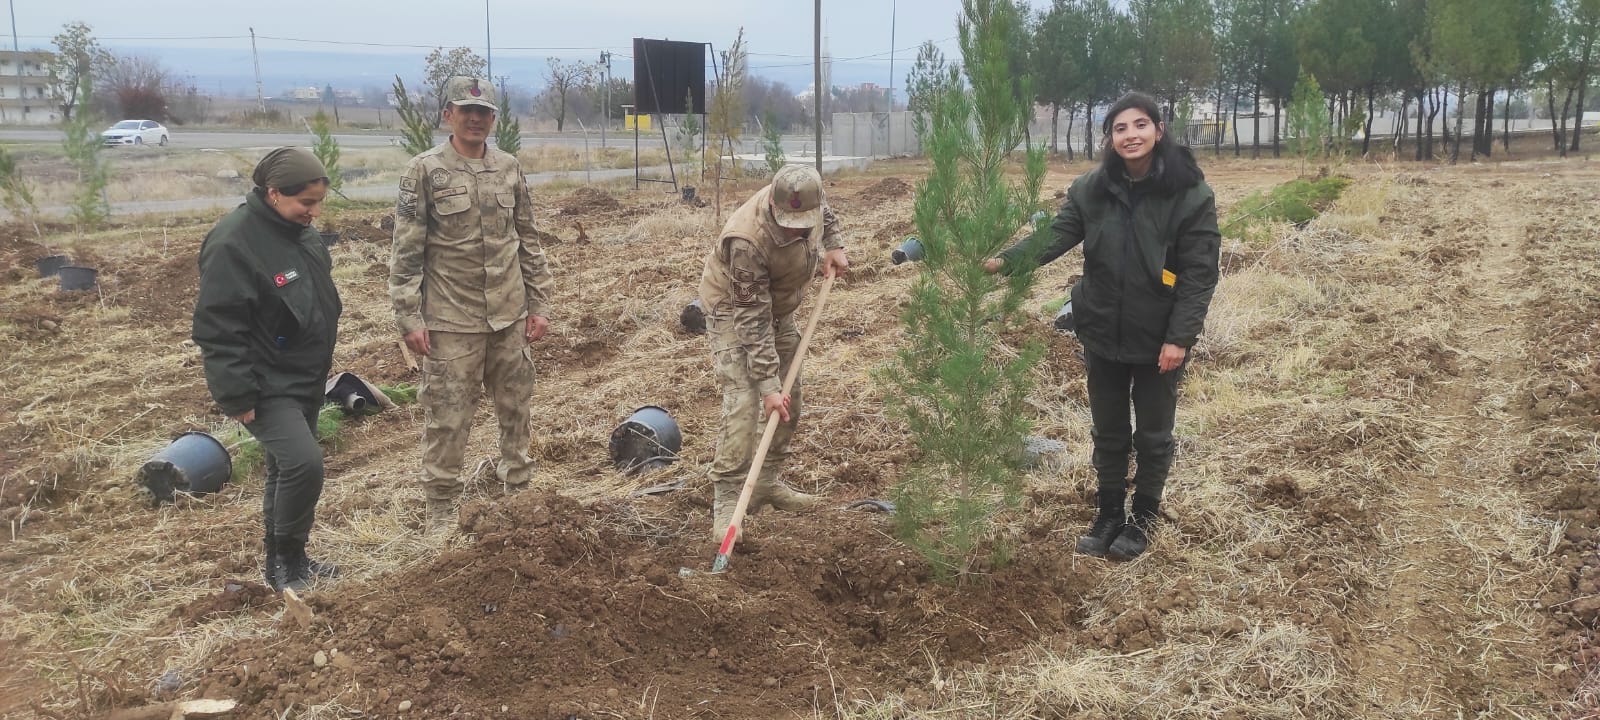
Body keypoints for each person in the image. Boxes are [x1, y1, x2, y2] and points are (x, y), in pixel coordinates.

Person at [986, 92, 1220, 561]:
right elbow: (1055, 237)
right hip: (1101, 331)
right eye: (1119, 128)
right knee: (1108, 430)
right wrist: (1002, 262)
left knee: (1153, 433)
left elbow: (1199, 273)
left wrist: (1180, 337)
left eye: (1139, 125)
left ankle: (1144, 516)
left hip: (1158, 337)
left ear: (1158, 129)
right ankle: (1109, 511)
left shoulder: (1189, 192)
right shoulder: (1091, 189)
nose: (1129, 135)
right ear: (1109, 138)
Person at [389, 76, 554, 526]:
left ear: (494, 119)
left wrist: (539, 304)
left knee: (517, 408)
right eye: (466, 111)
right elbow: (407, 251)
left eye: (484, 113)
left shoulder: (509, 167)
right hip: (450, 319)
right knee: (448, 418)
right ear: (449, 115)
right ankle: (442, 509)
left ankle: (519, 493)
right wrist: (409, 317)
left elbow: (528, 239)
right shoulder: (424, 171)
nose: (475, 119)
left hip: (508, 315)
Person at [193, 147, 342, 591]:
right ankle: (288, 564)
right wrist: (237, 393)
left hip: (305, 373)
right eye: (306, 204)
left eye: (319, 203)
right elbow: (218, 327)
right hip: (264, 380)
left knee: (284, 468)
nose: (315, 213)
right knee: (303, 464)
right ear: (274, 194)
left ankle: (285, 565)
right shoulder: (233, 242)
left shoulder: (303, 235)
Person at [698, 164, 849, 540]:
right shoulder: (747, 240)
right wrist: (767, 383)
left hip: (778, 309)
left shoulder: (807, 195)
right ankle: (729, 499)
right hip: (734, 313)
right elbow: (751, 319)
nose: (797, 227)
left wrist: (834, 244)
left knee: (791, 398)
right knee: (746, 402)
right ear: (774, 202)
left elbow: (824, 212)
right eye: (789, 222)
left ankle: (764, 483)